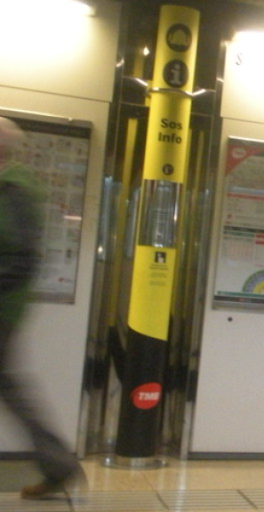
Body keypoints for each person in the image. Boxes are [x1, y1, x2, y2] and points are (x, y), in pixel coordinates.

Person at [0, 117, 83, 499]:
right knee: (12, 388)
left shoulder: (13, 191)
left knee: (13, 388)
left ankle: (58, 463)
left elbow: (22, 256)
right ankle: (58, 464)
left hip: (2, 307)